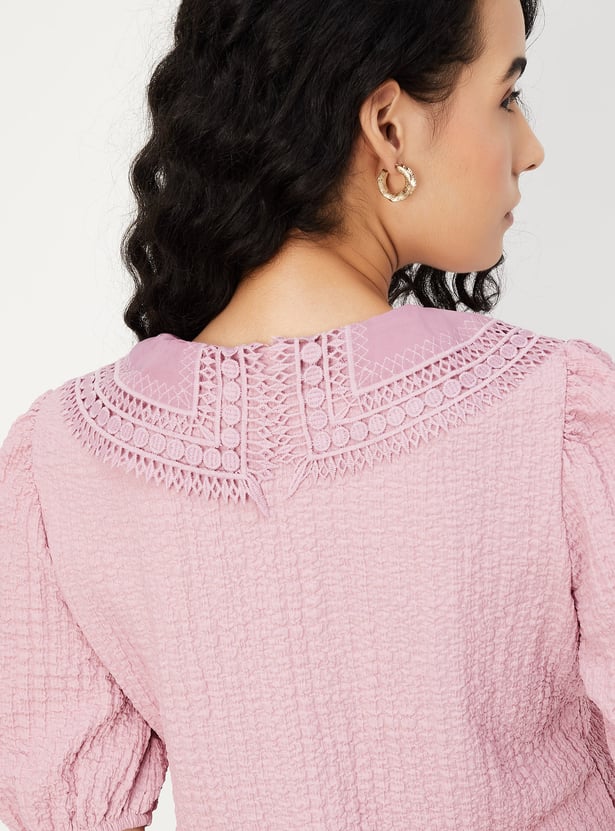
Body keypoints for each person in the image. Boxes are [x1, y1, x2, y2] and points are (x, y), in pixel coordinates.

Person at [1, 0, 615, 828]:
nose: (530, 147)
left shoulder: (65, 462)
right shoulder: (553, 412)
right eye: (505, 97)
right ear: (388, 127)